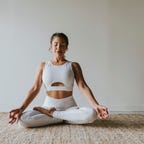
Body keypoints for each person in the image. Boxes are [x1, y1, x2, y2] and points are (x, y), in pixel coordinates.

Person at [9, 32, 109, 128]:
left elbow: (83, 86)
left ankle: (53, 114)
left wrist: (96, 105)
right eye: (55, 44)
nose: (58, 48)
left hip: (69, 108)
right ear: (50, 47)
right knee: (23, 120)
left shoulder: (73, 65)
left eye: (62, 45)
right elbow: (35, 88)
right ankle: (64, 118)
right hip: (47, 106)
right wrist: (21, 108)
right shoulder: (43, 66)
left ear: (66, 48)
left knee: (92, 114)